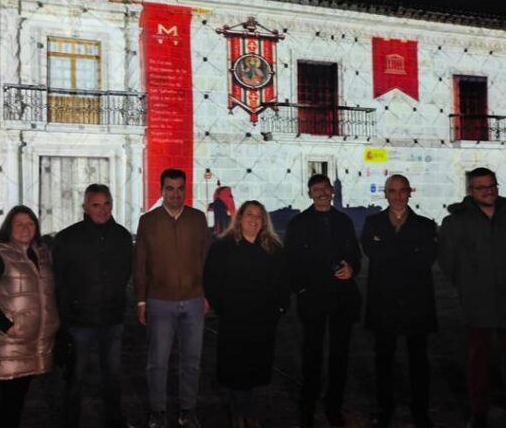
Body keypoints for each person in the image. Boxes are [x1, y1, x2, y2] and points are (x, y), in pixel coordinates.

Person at [438, 167, 506, 428]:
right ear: (470, 191)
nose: (488, 191)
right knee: (478, 360)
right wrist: (467, 285)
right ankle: (478, 412)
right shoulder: (456, 221)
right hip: (477, 300)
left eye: (492, 186)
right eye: (482, 188)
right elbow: (448, 261)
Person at [134, 168, 211, 428]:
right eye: (170, 188)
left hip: (193, 300)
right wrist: (141, 301)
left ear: (185, 190)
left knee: (192, 361)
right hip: (159, 301)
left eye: (180, 189)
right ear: (161, 190)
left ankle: (187, 410)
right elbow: (141, 264)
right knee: (158, 362)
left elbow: (207, 259)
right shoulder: (148, 221)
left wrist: (207, 294)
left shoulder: (198, 219)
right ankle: (158, 411)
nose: (175, 194)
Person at [284, 174, 362, 427]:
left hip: (342, 298)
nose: (322, 193)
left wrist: (353, 269)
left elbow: (355, 255)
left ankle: (333, 404)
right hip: (313, 298)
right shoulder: (298, 223)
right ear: (309, 193)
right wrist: (302, 290)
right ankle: (308, 403)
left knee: (340, 354)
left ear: (332, 192)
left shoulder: (344, 221)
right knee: (312, 353)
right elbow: (291, 262)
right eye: (316, 189)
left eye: (325, 188)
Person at [52, 184, 133, 428]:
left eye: (106, 204)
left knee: (113, 376)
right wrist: (65, 318)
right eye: (96, 205)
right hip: (79, 322)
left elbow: (125, 272)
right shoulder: (67, 238)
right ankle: (70, 421)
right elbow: (59, 280)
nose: (102, 210)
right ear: (85, 206)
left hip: (112, 319)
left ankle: (114, 419)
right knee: (75, 377)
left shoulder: (121, 236)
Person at [361, 175, 437, 428]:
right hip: (384, 301)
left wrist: (389, 250)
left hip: (416, 301)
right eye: (392, 191)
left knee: (418, 359)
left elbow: (425, 259)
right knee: (383, 358)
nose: (397, 196)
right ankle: (385, 407)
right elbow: (373, 254)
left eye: (401, 191)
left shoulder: (426, 225)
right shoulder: (372, 223)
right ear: (385, 193)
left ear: (409, 192)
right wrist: (408, 251)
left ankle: (420, 409)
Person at [204, 200, 288, 428]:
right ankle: (238, 413)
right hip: (235, 320)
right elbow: (212, 281)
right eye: (249, 214)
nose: (254, 219)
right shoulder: (223, 246)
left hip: (263, 321)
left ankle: (251, 411)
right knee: (236, 370)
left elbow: (283, 282)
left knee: (256, 369)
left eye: (259, 216)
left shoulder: (273, 248)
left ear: (264, 221)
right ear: (239, 218)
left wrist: (280, 307)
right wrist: (223, 308)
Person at [0, 205, 60, 428]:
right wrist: (7, 326)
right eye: (19, 224)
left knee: (19, 397)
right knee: (10, 400)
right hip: (9, 340)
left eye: (30, 224)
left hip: (33, 340)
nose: (26, 228)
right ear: (8, 227)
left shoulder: (41, 252)